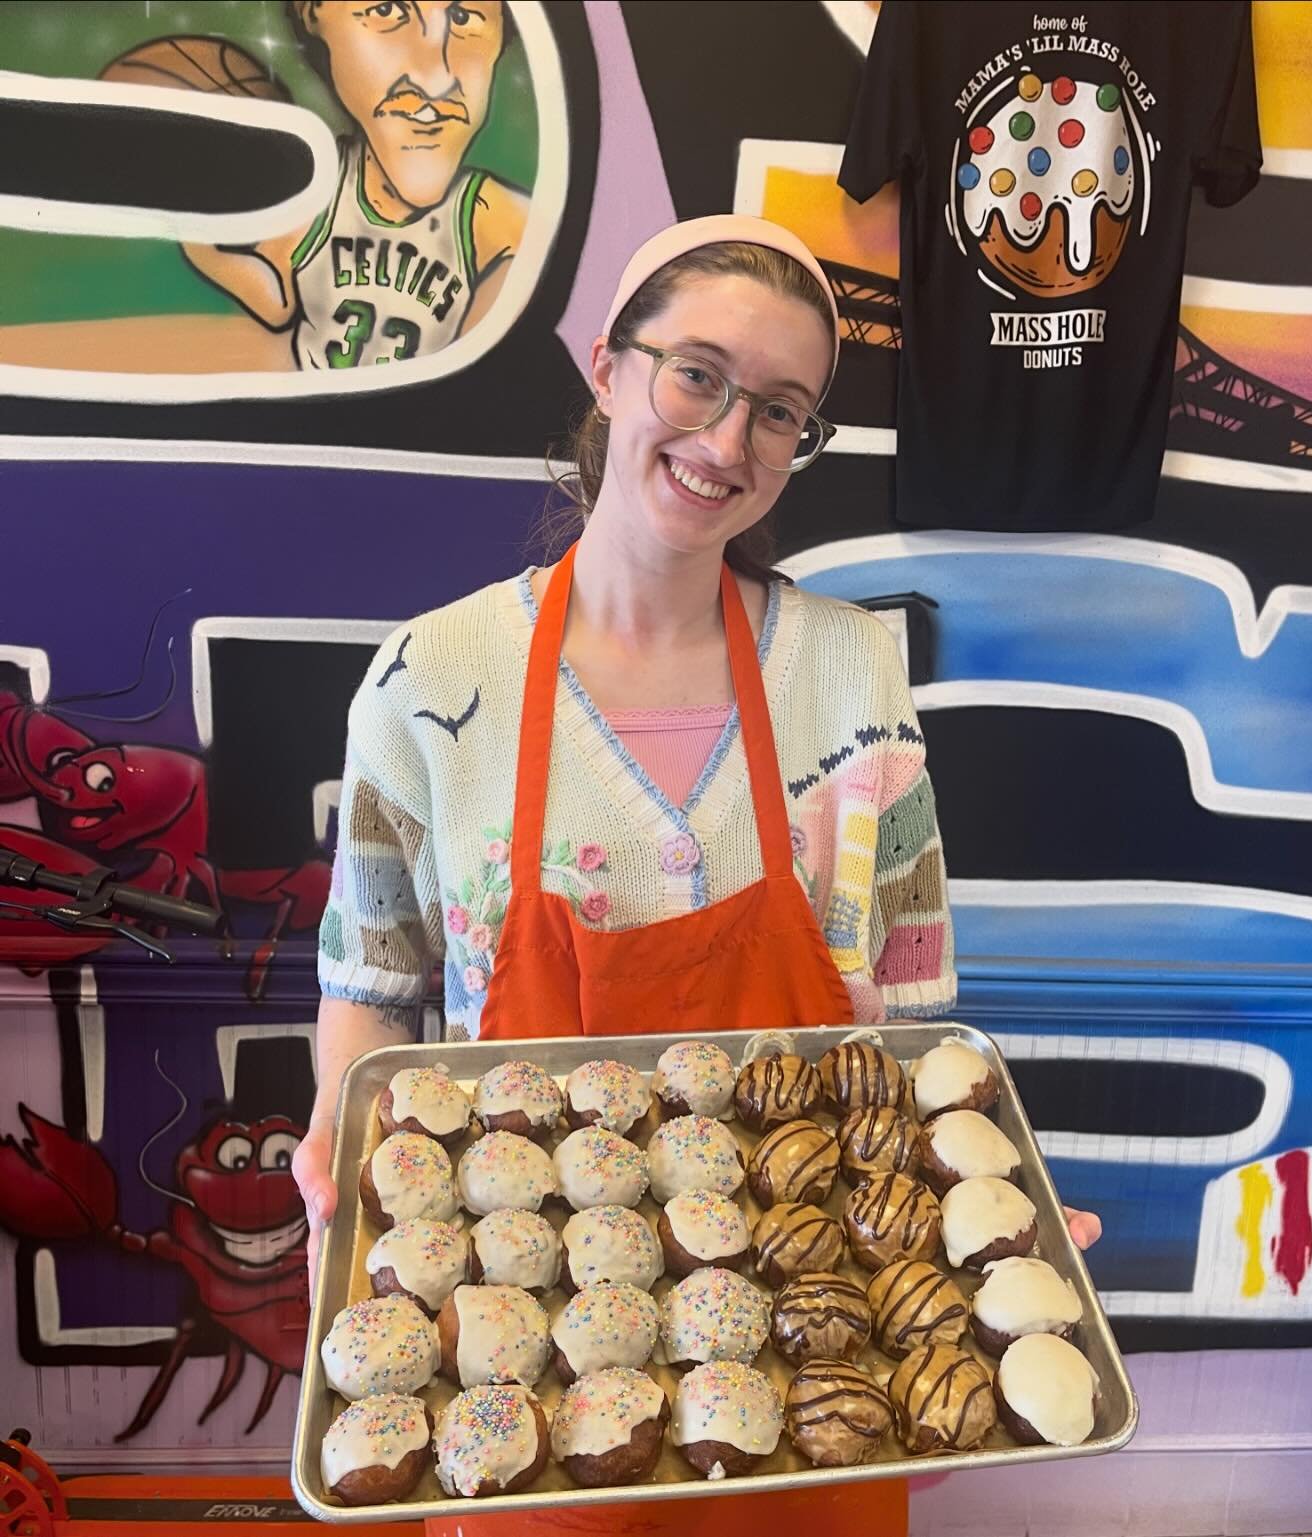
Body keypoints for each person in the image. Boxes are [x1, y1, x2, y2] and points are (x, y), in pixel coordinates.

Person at [292, 213, 1101, 1289]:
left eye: (779, 413)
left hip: (819, 1305)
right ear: (609, 371)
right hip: (505, 1311)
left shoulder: (852, 674)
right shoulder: (431, 677)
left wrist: (974, 1200)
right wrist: (337, 1152)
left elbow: (912, 1014)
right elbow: (374, 987)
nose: (726, 442)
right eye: (695, 376)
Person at [183, 0, 528, 369]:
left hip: (412, 420)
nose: (435, 77)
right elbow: (277, 305)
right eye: (387, 10)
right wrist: (195, 239)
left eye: (461, 17)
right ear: (312, 15)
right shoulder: (320, 192)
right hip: (322, 419)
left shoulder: (479, 213)